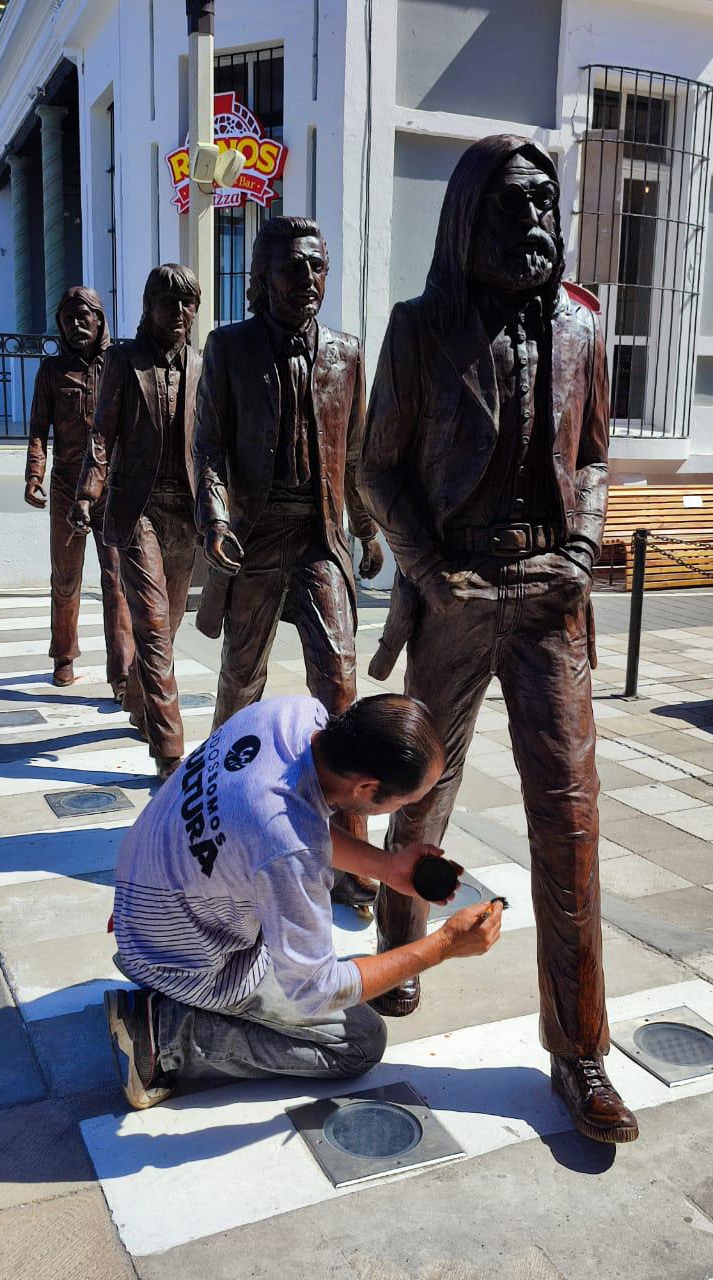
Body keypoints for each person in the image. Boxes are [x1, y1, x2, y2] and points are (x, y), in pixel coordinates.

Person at [358, 135, 639, 1144]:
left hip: (550, 598)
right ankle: (398, 932)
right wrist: (429, 573)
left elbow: (596, 454)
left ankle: (581, 1051)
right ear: (465, 218)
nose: (534, 224)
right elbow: (378, 467)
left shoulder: (581, 324)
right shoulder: (420, 329)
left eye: (545, 204)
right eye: (512, 208)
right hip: (456, 588)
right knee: (419, 793)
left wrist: (581, 544)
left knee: (570, 822)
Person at [104, 693, 503, 1110]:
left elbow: (290, 821)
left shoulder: (290, 714)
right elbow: (316, 989)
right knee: (360, 1042)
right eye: (403, 802)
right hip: (178, 956)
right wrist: (443, 946)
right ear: (367, 787)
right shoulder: (287, 847)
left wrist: (388, 867)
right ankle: (164, 1036)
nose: (407, 808)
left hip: (147, 892)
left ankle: (162, 983)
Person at [192, 216, 385, 909]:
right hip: (254, 536)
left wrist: (365, 529)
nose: (306, 281)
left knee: (339, 688)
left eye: (316, 267)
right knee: (241, 680)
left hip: (318, 539)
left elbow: (355, 453)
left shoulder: (348, 352)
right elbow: (208, 446)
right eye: (290, 268)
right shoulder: (229, 348)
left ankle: (350, 853)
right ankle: (210, 817)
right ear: (261, 278)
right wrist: (215, 520)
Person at [69, 265, 202, 781]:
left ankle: (142, 704)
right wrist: (87, 495)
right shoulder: (123, 360)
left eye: (188, 304)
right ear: (149, 306)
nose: (180, 313)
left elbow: (211, 443)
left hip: (184, 515)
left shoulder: (200, 362)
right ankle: (171, 753)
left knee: (168, 624)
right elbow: (101, 436)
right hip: (136, 510)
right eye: (170, 302)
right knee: (150, 624)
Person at [24, 286, 133, 697]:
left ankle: (121, 670)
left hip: (111, 487)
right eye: (69, 318)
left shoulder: (117, 365)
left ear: (100, 320)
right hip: (68, 485)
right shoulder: (51, 372)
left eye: (84, 317)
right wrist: (36, 473)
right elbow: (38, 428)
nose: (77, 325)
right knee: (66, 577)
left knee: (117, 578)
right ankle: (64, 655)